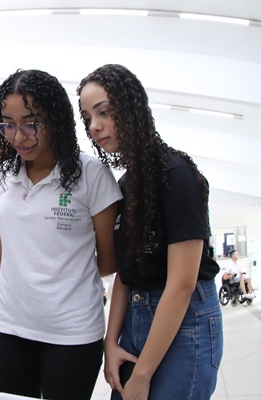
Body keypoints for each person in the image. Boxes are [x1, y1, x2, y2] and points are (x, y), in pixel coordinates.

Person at [77, 64, 223, 400]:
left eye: (104, 112)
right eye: (87, 117)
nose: (94, 126)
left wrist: (141, 377)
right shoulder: (125, 184)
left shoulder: (178, 175)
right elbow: (126, 276)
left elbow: (182, 284)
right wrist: (110, 344)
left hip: (186, 322)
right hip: (136, 318)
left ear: (132, 110)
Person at [0, 69, 122, 399]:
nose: (18, 136)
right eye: (7, 124)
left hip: (73, 333)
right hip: (9, 327)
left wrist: (57, 269)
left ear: (55, 119)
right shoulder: (2, 178)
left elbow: (108, 261)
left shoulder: (92, 175)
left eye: (30, 123)